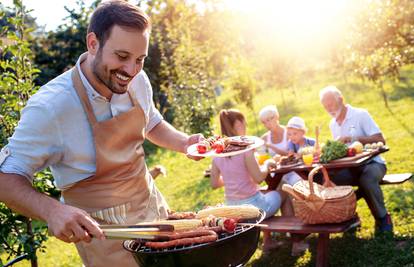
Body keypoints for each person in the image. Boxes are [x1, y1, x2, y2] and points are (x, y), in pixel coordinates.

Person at [0, 1, 203, 266]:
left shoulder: (137, 80)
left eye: (139, 59)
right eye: (121, 56)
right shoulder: (51, 106)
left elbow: (152, 122)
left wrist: (184, 142)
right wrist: (52, 210)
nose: (131, 70)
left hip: (156, 217)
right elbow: (5, 178)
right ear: (93, 43)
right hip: (106, 240)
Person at [210, 109, 308, 255]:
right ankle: (296, 243)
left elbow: (214, 184)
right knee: (284, 191)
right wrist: (268, 164)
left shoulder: (217, 153)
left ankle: (268, 242)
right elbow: (258, 177)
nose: (245, 126)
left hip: (231, 209)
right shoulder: (245, 149)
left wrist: (234, 178)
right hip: (254, 209)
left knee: (267, 191)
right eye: (244, 123)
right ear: (238, 125)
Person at [319, 85, 392, 232]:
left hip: (373, 164)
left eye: (331, 104)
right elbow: (342, 152)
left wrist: (353, 138)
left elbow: (380, 139)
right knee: (327, 182)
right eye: (325, 106)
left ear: (341, 99)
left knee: (366, 180)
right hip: (351, 168)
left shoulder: (360, 114)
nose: (329, 108)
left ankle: (383, 218)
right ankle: (351, 218)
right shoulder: (332, 124)